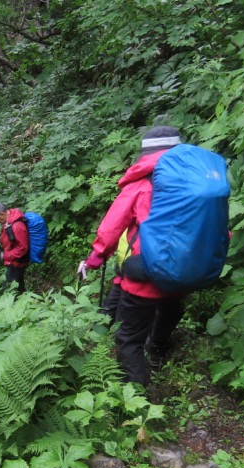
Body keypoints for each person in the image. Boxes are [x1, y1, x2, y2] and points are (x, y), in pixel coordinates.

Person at [78, 125, 187, 385]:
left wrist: (94, 260)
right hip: (185, 269)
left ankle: (137, 403)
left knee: (128, 339)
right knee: (170, 310)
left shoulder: (141, 184)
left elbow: (111, 227)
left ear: (145, 154)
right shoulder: (196, 181)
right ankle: (158, 350)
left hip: (145, 272)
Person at [0, 201, 30, 294]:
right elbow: (6, 238)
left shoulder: (17, 226)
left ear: (1, 214)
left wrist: (3, 256)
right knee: (19, 286)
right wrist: (0, 248)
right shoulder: (7, 222)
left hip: (18, 261)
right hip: (13, 259)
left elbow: (22, 248)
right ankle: (26, 300)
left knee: (8, 290)